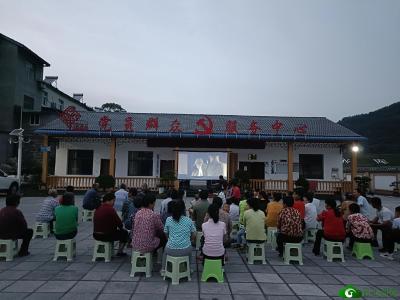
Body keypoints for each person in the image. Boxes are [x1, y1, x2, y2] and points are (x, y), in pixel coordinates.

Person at [162, 200, 196, 273]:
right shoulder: (188, 220)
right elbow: (194, 234)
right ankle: (189, 268)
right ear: (183, 209)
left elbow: (165, 232)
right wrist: (190, 240)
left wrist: (169, 240)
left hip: (170, 249)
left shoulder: (168, 219)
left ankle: (164, 269)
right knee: (190, 249)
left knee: (165, 252)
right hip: (185, 250)